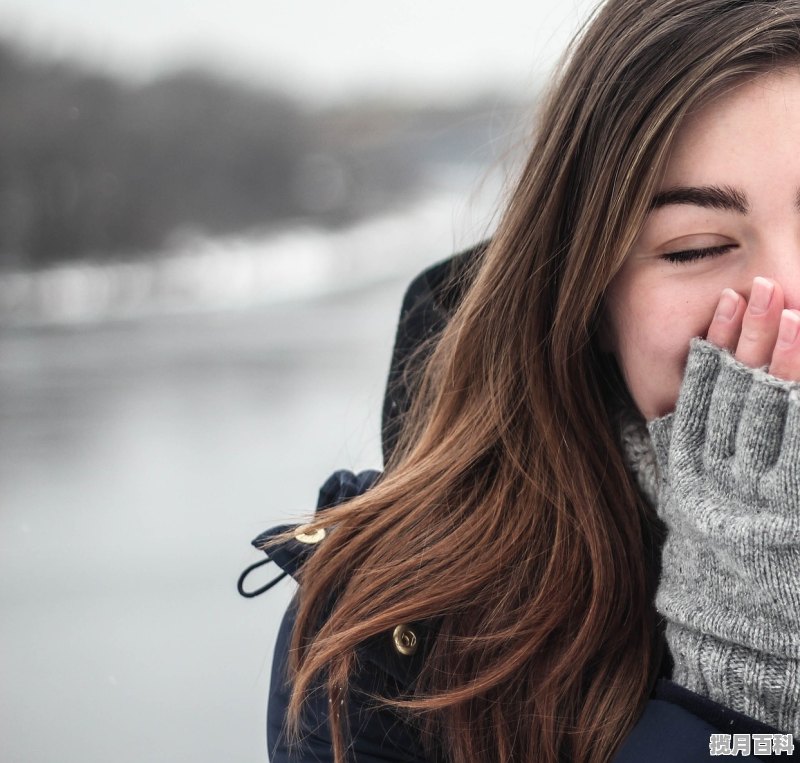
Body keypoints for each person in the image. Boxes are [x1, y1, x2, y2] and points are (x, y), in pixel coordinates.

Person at [243, 0, 800, 759]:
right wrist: (740, 680)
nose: (784, 296)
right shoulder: (396, 646)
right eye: (694, 247)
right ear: (592, 297)